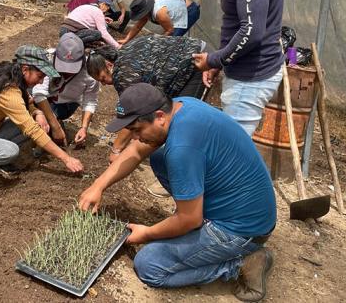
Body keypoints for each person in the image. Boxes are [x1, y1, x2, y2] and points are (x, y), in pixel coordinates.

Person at [78, 84, 276, 301]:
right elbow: (135, 150)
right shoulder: (181, 106)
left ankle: (239, 265)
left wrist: (146, 233)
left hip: (241, 231)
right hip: (247, 207)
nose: (134, 137)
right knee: (158, 157)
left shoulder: (182, 148)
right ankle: (196, 214)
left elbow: (189, 220)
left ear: (160, 116)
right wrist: (97, 186)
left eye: (137, 129)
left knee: (149, 266)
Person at [190, 0, 284, 136]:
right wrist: (220, 63)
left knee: (231, 151)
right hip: (246, 72)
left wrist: (213, 59)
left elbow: (251, 32)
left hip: (250, 78)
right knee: (232, 146)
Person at [0, 45, 84, 189]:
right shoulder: (8, 90)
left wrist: (38, 113)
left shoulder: (10, 75)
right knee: (11, 151)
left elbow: (25, 103)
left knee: (34, 123)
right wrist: (66, 158)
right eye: (40, 76)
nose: (41, 81)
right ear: (25, 69)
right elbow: (32, 129)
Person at [86, 35, 206, 161]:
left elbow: (133, 113)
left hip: (195, 62)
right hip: (190, 52)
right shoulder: (123, 55)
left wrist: (116, 150)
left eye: (103, 78)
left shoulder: (123, 75)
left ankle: (183, 157)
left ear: (109, 65)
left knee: (180, 117)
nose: (104, 84)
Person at [32, 33, 101, 147]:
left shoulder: (90, 71)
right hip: (45, 98)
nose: (67, 71)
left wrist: (83, 128)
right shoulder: (48, 57)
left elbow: (90, 101)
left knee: (46, 126)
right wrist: (56, 126)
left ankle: (54, 118)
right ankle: (52, 120)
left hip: (65, 104)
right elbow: (39, 92)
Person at [120, 0, 200, 44]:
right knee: (167, 41)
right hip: (179, 6)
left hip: (189, 10)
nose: (140, 18)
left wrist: (157, 42)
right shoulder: (147, 11)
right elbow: (137, 27)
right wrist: (126, 40)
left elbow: (170, 30)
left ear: (145, 11)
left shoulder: (159, 13)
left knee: (172, 41)